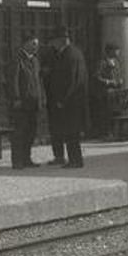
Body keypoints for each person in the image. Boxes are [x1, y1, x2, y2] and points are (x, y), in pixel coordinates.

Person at [46, 26, 88, 168]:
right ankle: (74, 159)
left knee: (71, 132)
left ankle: (75, 161)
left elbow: (70, 80)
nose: (53, 45)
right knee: (71, 131)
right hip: (74, 100)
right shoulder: (75, 53)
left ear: (61, 41)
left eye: (54, 42)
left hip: (69, 101)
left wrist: (62, 100)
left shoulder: (69, 55)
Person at [7, 34, 43, 169]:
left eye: (37, 44)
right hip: (21, 104)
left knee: (30, 133)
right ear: (25, 44)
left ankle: (27, 158)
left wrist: (40, 98)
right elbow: (13, 81)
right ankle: (17, 161)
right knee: (19, 133)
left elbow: (38, 82)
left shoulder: (35, 61)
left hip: (32, 103)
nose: (36, 47)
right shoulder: (17, 60)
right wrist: (16, 98)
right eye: (33, 44)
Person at [93, 43, 123, 133]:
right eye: (116, 50)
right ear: (110, 51)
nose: (118, 52)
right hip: (106, 92)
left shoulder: (117, 62)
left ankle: (116, 131)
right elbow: (96, 76)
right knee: (107, 112)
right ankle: (107, 131)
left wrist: (120, 80)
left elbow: (118, 73)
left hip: (116, 91)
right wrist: (108, 82)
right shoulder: (102, 62)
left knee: (117, 111)